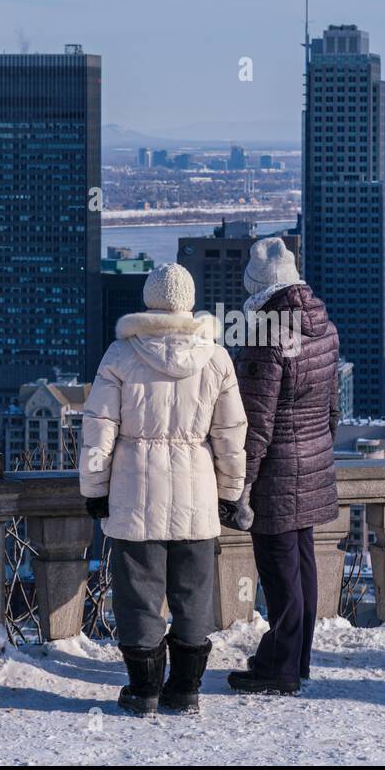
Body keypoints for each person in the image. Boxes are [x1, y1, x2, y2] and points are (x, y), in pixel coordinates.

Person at [80, 262, 247, 715]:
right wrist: (230, 494)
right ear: (189, 302)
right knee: (194, 596)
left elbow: (98, 429)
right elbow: (231, 435)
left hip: (135, 496)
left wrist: (94, 488)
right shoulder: (216, 357)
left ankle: (143, 691)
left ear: (150, 300)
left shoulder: (121, 354)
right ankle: (186, 690)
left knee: (138, 596)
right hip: (197, 496)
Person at [226, 238, 340, 695]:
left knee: (278, 569)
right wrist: (318, 451)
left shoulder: (265, 335)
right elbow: (333, 407)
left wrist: (242, 483)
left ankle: (279, 668)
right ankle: (298, 659)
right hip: (314, 461)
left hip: (277, 470)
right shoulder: (324, 326)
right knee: (303, 564)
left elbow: (256, 422)